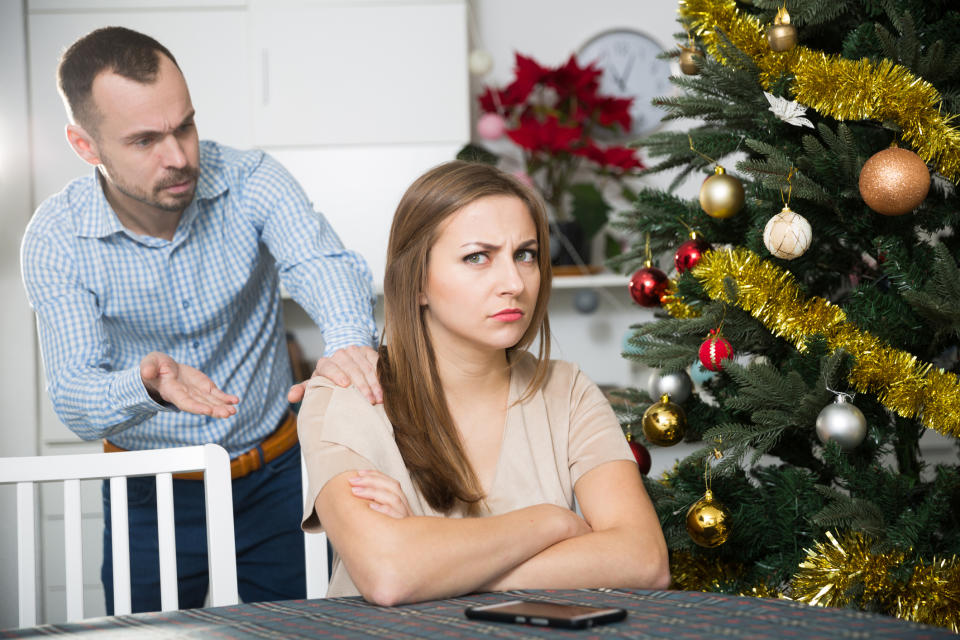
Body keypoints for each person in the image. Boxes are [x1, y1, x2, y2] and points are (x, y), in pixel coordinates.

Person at [20, 26, 382, 612]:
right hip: (151, 490)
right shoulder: (56, 238)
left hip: (277, 474)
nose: (180, 157)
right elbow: (74, 396)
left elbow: (324, 265)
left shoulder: (251, 179)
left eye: (184, 125)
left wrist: (347, 343)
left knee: (302, 631)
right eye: (144, 141)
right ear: (85, 146)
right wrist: (144, 386)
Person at [298, 161, 670, 605]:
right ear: (417, 281)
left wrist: (434, 558)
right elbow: (389, 574)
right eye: (478, 257)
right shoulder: (345, 394)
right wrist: (552, 521)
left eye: (525, 254)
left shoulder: (567, 390)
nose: (513, 283)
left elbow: (645, 559)